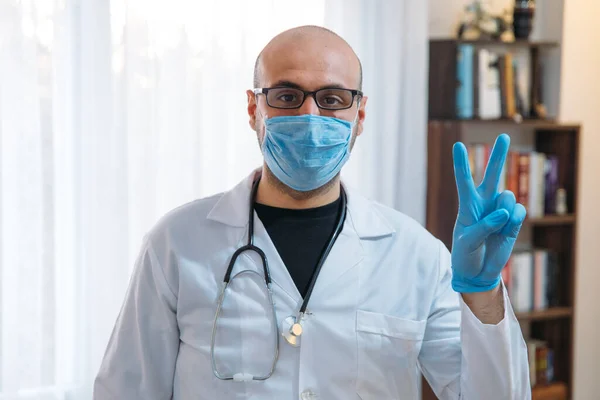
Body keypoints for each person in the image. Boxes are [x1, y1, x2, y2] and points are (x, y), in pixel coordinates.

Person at [93, 25, 530, 399]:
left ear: (360, 113)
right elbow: (126, 390)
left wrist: (483, 293)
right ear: (254, 108)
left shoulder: (416, 255)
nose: (309, 114)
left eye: (333, 99)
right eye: (286, 95)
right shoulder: (176, 243)